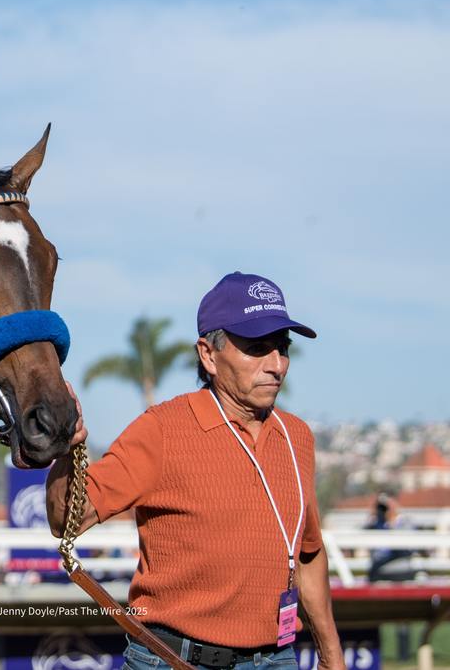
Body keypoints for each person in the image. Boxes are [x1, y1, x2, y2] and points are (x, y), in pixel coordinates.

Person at [47, 271, 344, 670]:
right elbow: (66, 517)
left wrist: (331, 655)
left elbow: (307, 555)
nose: (276, 365)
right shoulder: (162, 429)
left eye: (282, 347)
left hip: (278, 659)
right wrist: (68, 449)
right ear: (208, 354)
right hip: (173, 658)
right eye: (257, 348)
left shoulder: (297, 438)